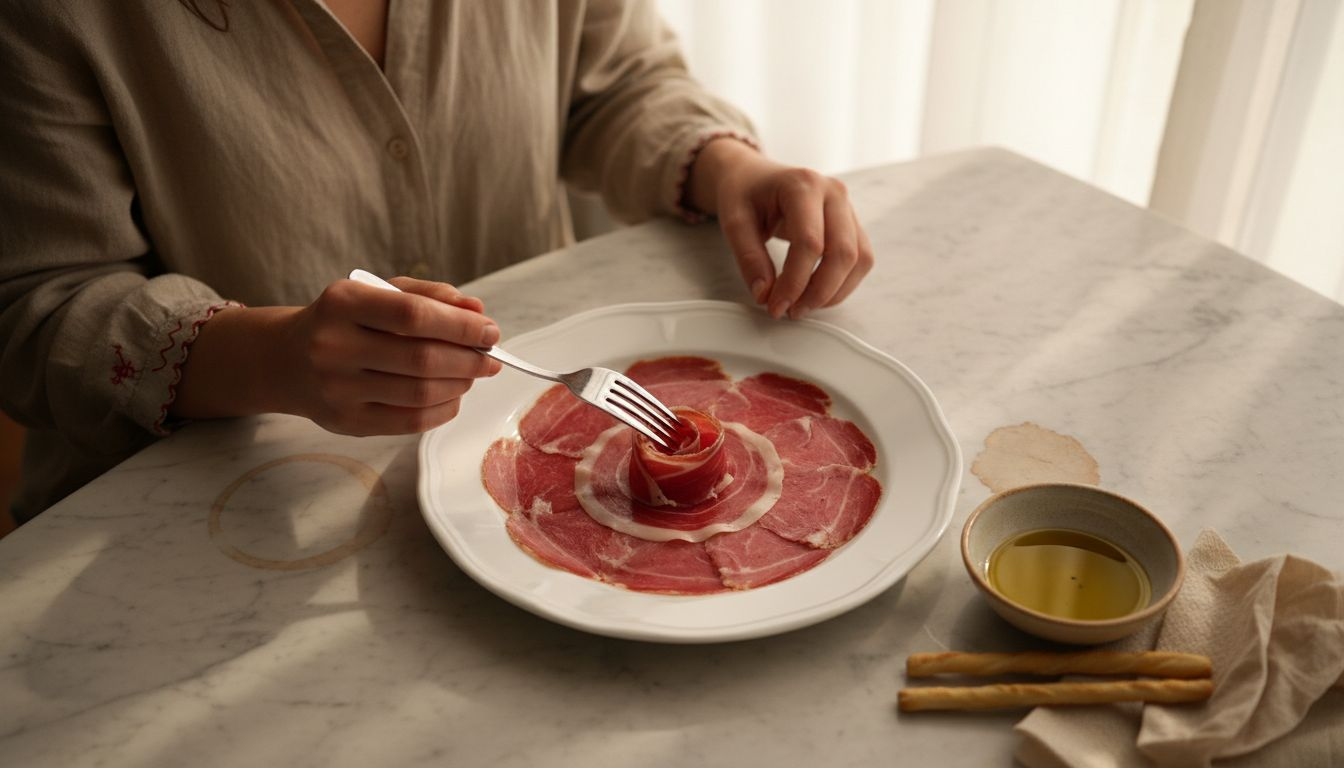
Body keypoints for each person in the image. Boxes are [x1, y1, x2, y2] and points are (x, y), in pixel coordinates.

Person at [0, 0, 874, 524]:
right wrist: (272, 358)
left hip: (514, 453)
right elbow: (34, 308)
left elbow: (611, 85)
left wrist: (726, 165)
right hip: (212, 512)